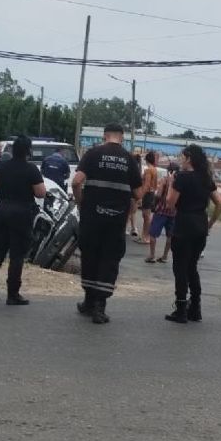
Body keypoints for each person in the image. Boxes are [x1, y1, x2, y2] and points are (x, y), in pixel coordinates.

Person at [72, 123, 144, 324]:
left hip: (92, 218)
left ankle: (88, 301)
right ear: (122, 138)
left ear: (105, 136)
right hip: (116, 220)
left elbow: (76, 181)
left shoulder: (93, 154)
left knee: (90, 256)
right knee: (109, 259)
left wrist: (81, 204)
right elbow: (138, 194)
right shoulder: (129, 159)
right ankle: (99, 308)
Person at [0, 136, 47, 306]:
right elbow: (40, 193)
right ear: (28, 151)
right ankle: (13, 294)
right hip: (21, 212)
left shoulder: (0, 166)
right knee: (17, 255)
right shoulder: (31, 169)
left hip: (2, 209)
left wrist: (4, 186)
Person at [164, 144, 221, 324]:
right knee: (192, 267)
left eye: (182, 156)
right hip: (200, 226)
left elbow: (169, 203)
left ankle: (181, 309)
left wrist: (171, 183)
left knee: (180, 268)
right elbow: (220, 205)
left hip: (183, 225)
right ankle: (195, 307)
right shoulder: (206, 178)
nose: (180, 160)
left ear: (188, 158)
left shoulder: (181, 177)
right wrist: (210, 224)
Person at [145, 161, 179, 264]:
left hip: (161, 211)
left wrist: (154, 204)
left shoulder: (164, 180)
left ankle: (152, 255)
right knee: (170, 235)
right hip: (173, 213)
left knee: (153, 234)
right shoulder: (179, 183)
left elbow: (158, 195)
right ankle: (164, 256)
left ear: (169, 170)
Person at [138, 152, 159, 244]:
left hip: (147, 193)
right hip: (152, 193)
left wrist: (140, 196)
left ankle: (146, 236)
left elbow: (146, 185)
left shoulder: (148, 170)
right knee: (146, 215)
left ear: (146, 160)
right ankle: (144, 235)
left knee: (146, 216)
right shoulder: (154, 169)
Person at [127, 153, 143, 238]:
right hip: (135, 193)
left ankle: (132, 228)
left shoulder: (131, 168)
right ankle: (134, 228)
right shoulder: (138, 170)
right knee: (132, 212)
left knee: (129, 212)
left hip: (129, 193)